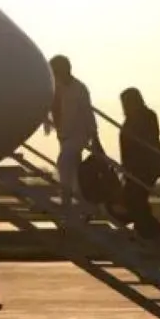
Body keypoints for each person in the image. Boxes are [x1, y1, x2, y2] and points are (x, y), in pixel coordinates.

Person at [44, 54, 102, 221]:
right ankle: (86, 207)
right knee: (75, 173)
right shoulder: (57, 87)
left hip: (79, 134)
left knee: (64, 162)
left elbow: (88, 113)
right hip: (64, 135)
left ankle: (66, 202)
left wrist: (95, 136)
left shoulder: (79, 89)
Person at [116, 87, 160, 240]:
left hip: (146, 166)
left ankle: (152, 231)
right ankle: (146, 231)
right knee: (135, 199)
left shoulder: (147, 115)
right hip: (134, 167)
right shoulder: (131, 118)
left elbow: (149, 137)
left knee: (135, 198)